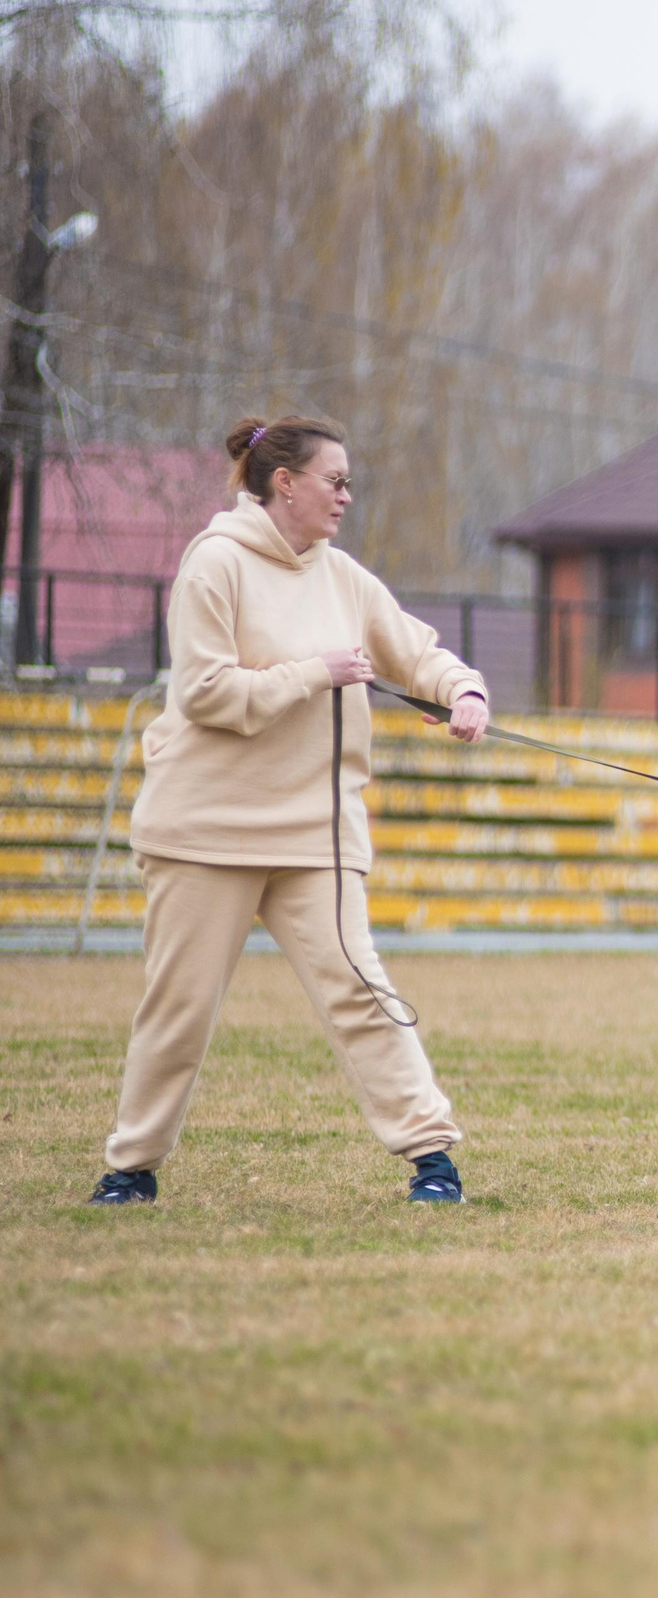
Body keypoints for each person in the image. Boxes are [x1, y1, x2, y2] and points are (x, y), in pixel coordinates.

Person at [86, 416, 491, 1208]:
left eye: (348, 482)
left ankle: (432, 1157)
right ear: (285, 483)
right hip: (204, 831)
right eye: (334, 479)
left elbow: (415, 650)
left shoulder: (343, 577)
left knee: (361, 989)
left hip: (316, 835)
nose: (345, 495)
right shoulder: (214, 564)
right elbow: (203, 693)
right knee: (180, 1009)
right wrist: (314, 672)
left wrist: (464, 690)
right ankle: (129, 1170)